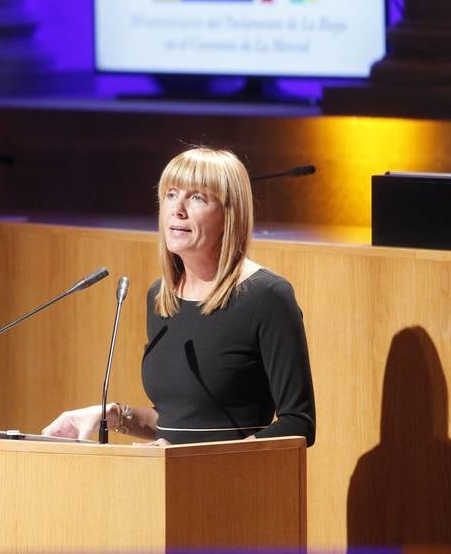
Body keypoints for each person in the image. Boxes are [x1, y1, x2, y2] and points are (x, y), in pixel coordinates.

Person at [42, 146, 316, 447]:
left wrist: (193, 460)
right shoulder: (160, 297)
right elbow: (177, 425)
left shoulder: (267, 296)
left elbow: (298, 423)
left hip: (238, 485)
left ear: (230, 214)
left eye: (197, 197)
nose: (178, 209)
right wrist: (114, 415)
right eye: (171, 194)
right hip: (168, 485)